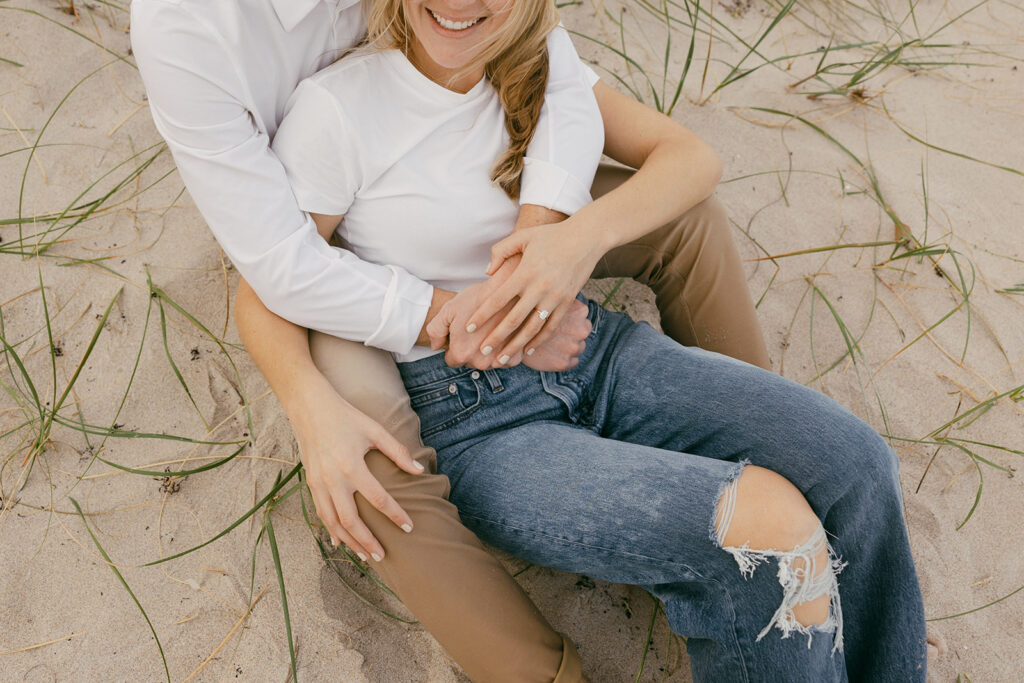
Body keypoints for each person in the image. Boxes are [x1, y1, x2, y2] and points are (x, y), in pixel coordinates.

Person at [232, 0, 931, 677]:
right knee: (767, 533)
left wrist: (575, 240)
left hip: (597, 353)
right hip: (477, 422)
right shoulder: (340, 109)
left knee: (860, 465)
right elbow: (266, 286)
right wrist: (308, 406)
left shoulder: (541, 64)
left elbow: (693, 163)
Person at [131, 0, 772, 679]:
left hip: (450, 165)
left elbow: (548, 60)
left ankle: (760, 436)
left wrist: (547, 248)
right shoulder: (184, 27)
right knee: (367, 463)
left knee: (684, 218)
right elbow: (275, 270)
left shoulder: (468, 28)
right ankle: (536, 670)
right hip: (327, 256)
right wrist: (313, 401)